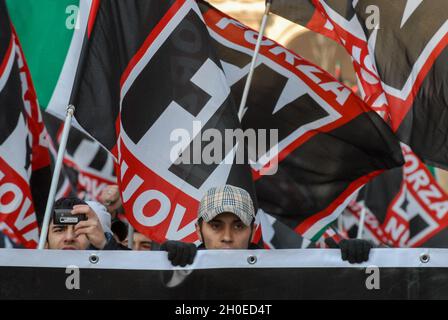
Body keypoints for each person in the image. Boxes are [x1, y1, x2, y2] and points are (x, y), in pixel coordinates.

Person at [162, 185, 373, 266]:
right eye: (216, 226)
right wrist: (158, 266)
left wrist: (349, 269)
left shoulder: (279, 274)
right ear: (198, 229)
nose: (227, 237)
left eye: (238, 226)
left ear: (253, 230)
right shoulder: (179, 271)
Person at [46, 197, 128, 250]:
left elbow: (134, 274)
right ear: (46, 242)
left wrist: (104, 244)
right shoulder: (33, 274)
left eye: (80, 229)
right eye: (59, 230)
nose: (69, 237)